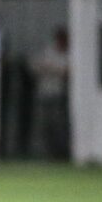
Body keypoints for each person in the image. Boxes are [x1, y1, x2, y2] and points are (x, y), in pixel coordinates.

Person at [29, 27, 70, 159]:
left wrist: (51, 69)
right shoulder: (48, 51)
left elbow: (67, 73)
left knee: (59, 126)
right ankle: (45, 154)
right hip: (43, 94)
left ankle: (61, 154)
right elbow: (34, 65)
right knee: (43, 126)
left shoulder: (70, 54)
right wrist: (52, 70)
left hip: (59, 95)